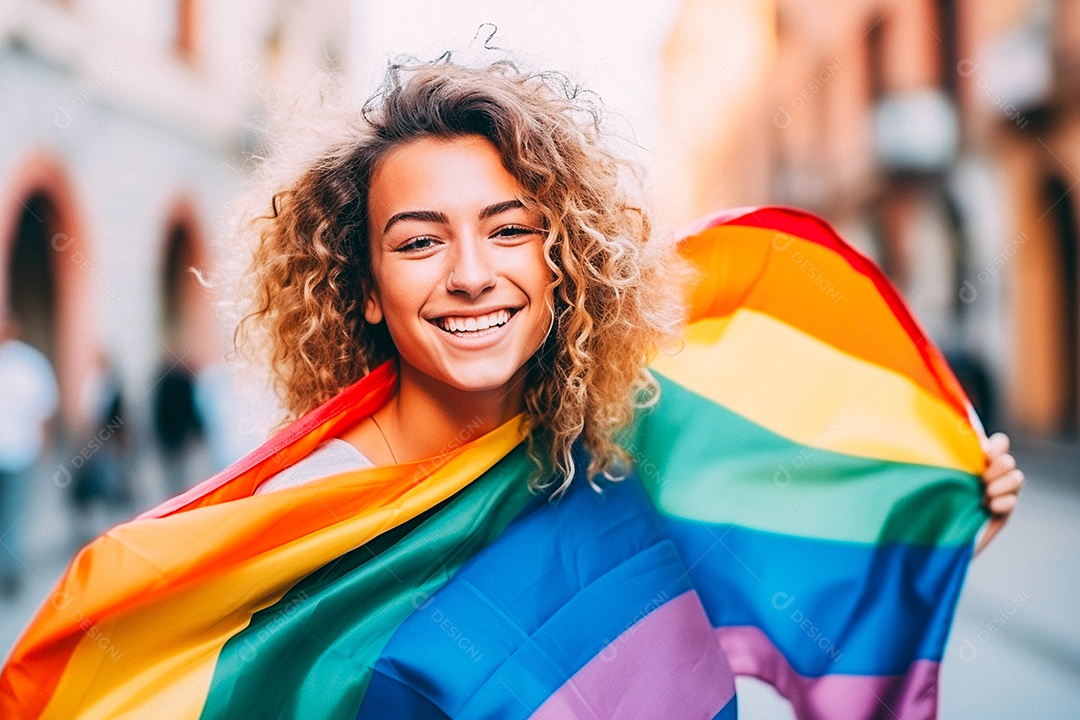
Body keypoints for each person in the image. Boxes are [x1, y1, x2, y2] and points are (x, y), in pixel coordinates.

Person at [0, 57, 1024, 718]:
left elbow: (762, 565)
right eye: (419, 241)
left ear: (561, 260)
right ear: (364, 290)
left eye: (509, 230)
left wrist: (931, 516)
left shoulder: (605, 454)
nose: (471, 274)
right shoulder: (305, 521)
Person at [0, 314, 59, 599]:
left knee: (12, 513)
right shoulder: (31, 363)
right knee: (14, 515)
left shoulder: (29, 363)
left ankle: (9, 568)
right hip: (20, 452)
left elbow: (43, 412)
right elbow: (44, 410)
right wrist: (45, 449)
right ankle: (10, 569)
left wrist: (44, 447)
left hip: (20, 452)